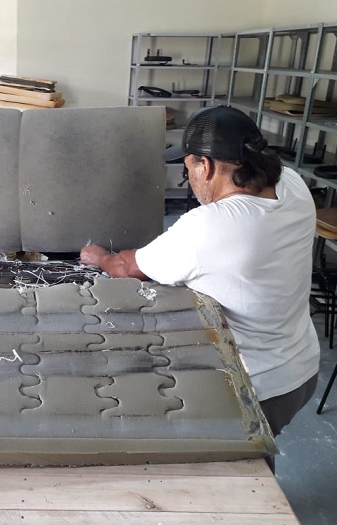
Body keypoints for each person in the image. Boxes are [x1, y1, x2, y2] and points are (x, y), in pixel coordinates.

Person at [80, 106, 320, 437]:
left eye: (188, 167)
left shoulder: (210, 226)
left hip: (259, 386)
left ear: (205, 166)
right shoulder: (293, 184)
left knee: (246, 460)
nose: (190, 177)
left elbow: (128, 268)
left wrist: (100, 257)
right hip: (303, 367)